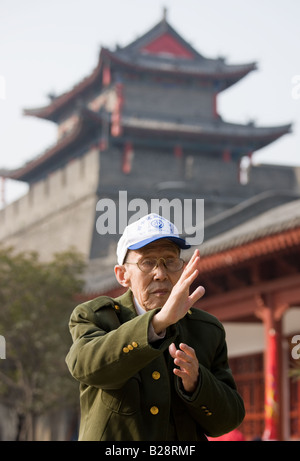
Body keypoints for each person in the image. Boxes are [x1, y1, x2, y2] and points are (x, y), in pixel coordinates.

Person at [66, 213, 245, 441]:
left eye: (170, 261)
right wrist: (157, 323)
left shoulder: (207, 329)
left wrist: (197, 383)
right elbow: (84, 366)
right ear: (123, 275)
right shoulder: (96, 316)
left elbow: (228, 420)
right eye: (147, 262)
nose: (160, 274)